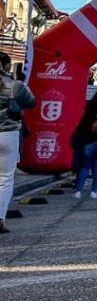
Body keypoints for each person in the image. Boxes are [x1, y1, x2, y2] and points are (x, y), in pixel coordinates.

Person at [0, 54, 35, 233]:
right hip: (8, 133)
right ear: (7, 66)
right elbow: (31, 102)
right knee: (5, 179)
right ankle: (0, 217)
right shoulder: (16, 86)